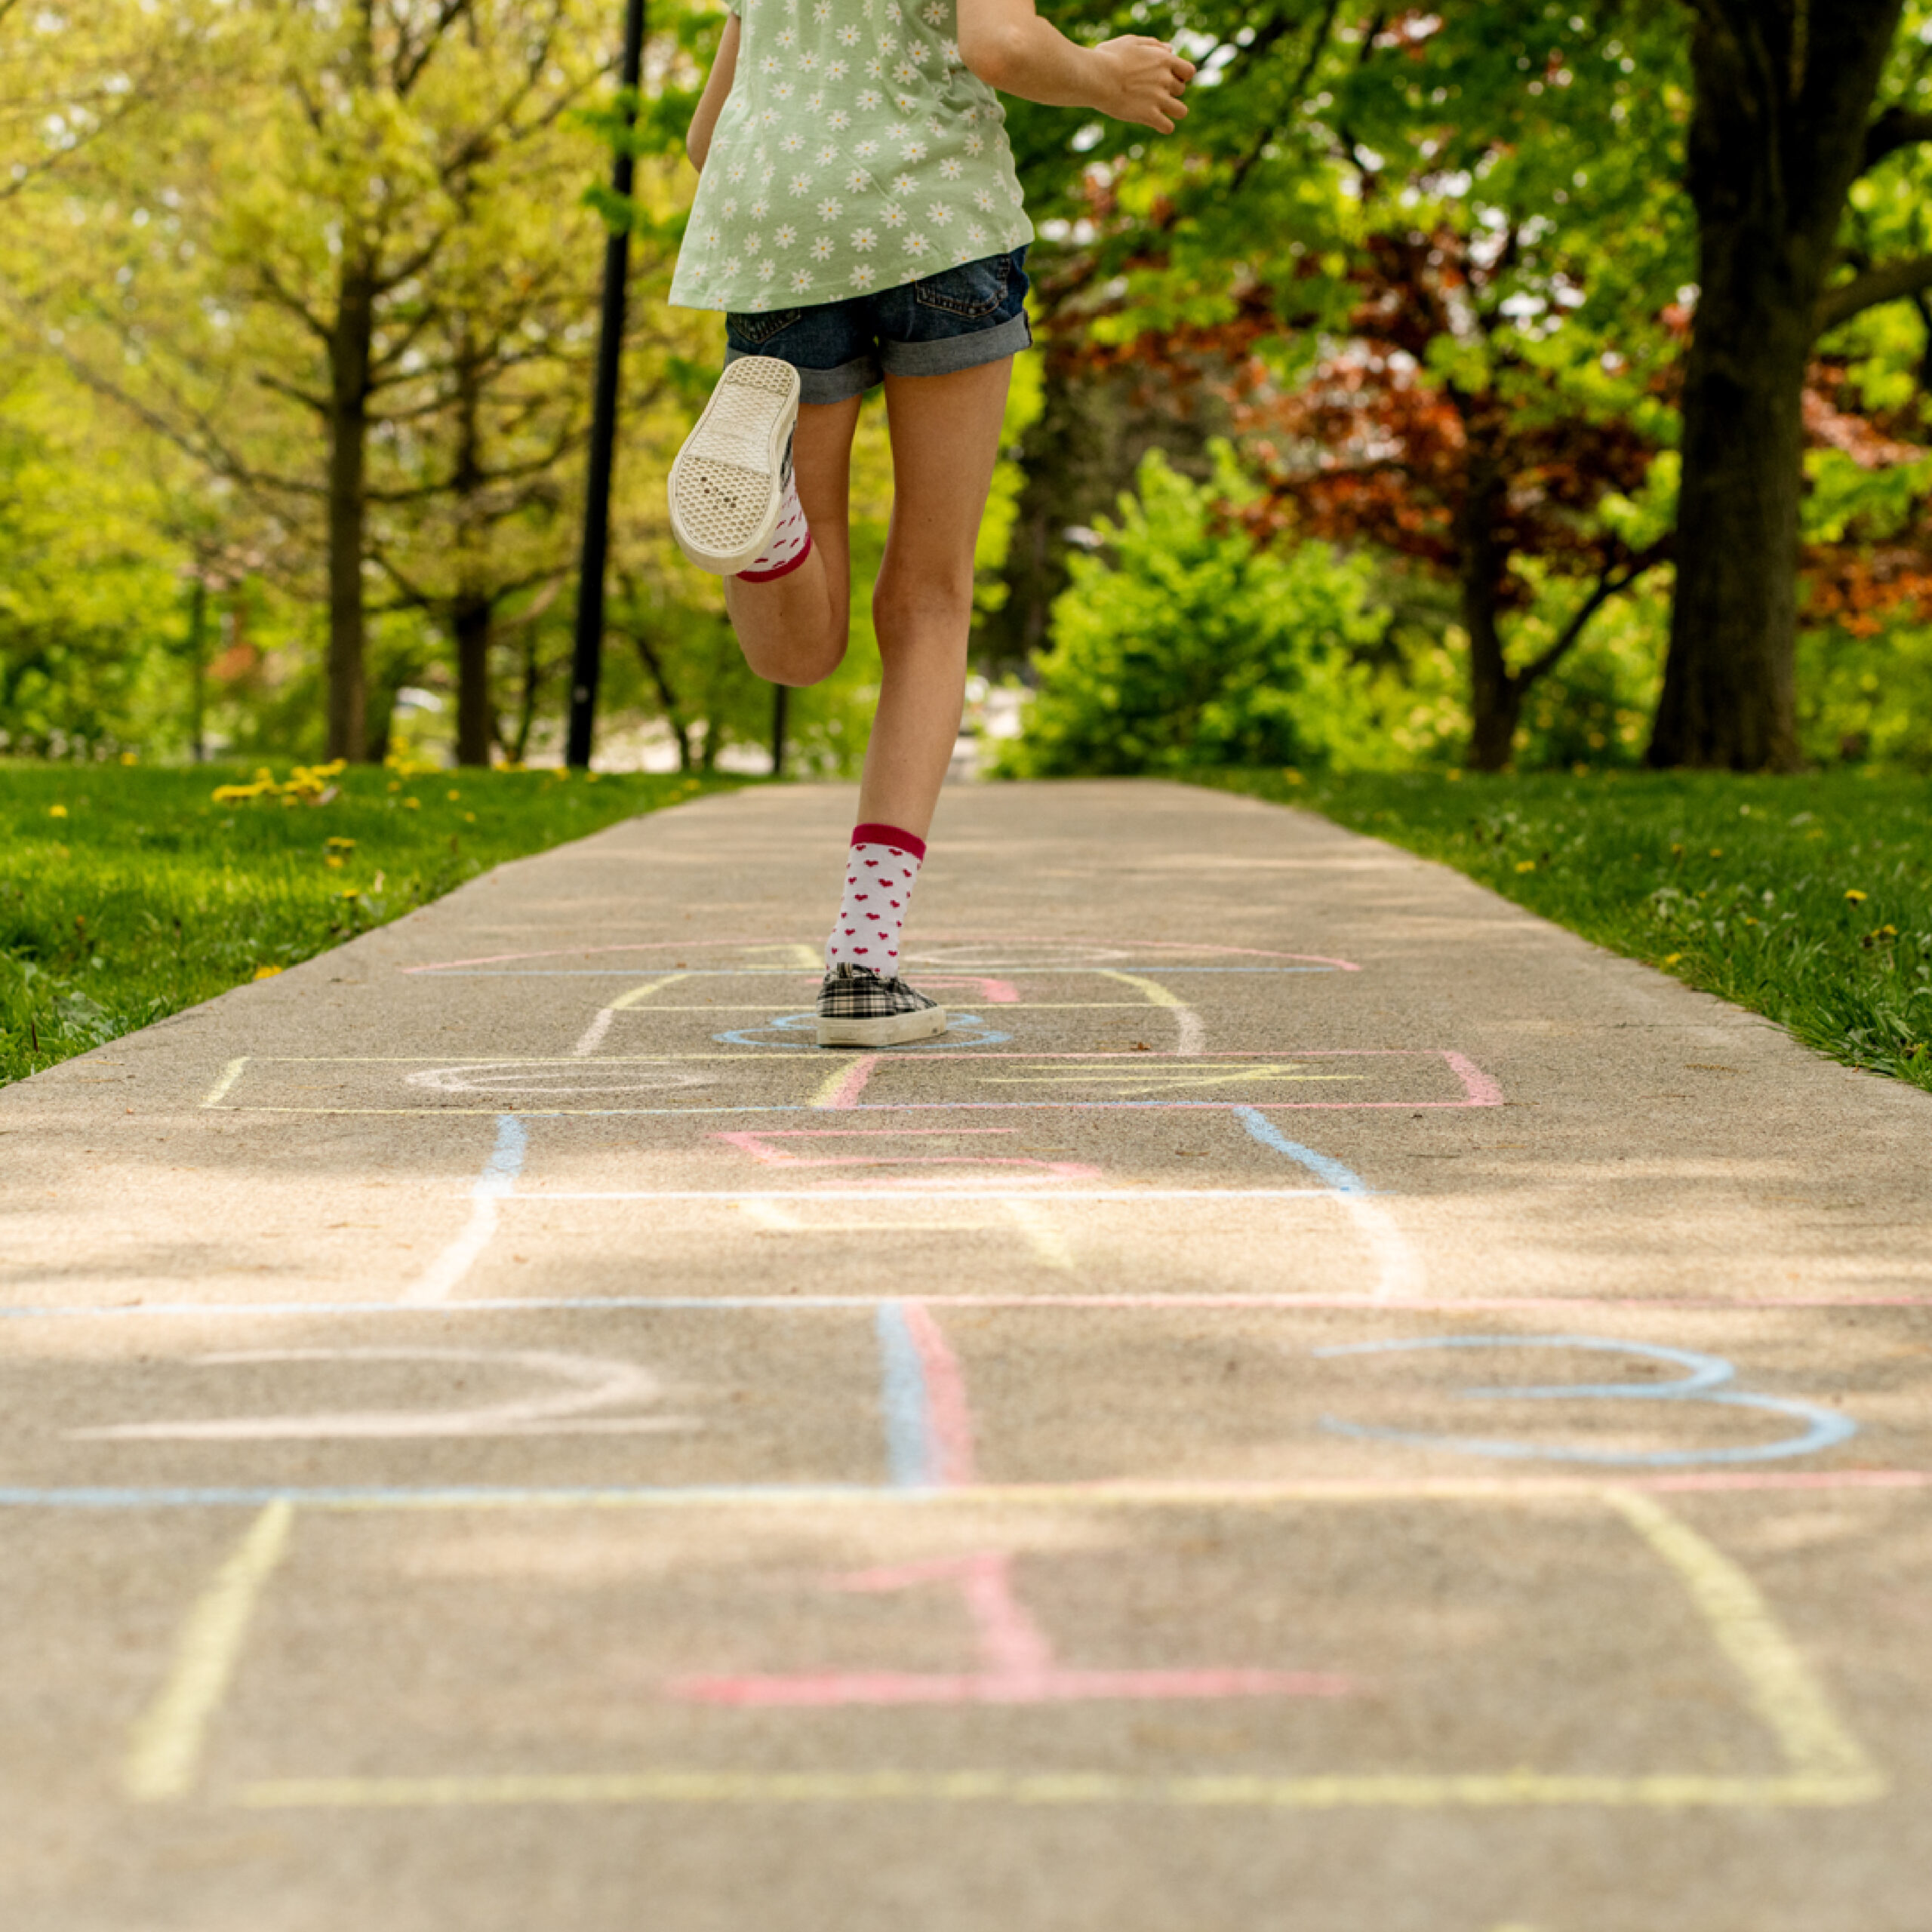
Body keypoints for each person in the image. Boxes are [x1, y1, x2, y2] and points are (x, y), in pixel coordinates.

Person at [667, 0, 1192, 1046]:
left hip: (772, 224)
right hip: (935, 225)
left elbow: (703, 134)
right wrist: (1101, 76)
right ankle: (864, 963)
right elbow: (997, 43)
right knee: (930, 597)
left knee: (800, 654)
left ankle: (770, 526)